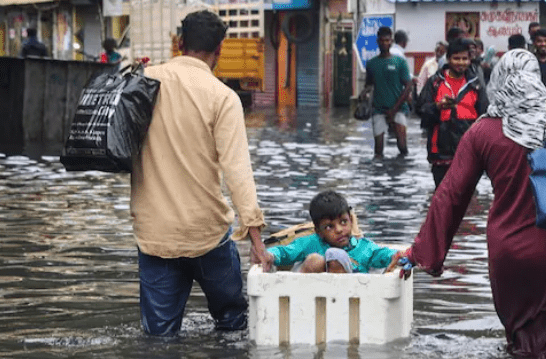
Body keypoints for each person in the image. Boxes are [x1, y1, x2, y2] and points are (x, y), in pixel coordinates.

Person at [391, 49, 546, 359]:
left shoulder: (482, 130)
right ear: (536, 78)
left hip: (508, 253)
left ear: (498, 81)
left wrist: (423, 254)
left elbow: (450, 196)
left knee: (521, 344)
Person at [131, 10, 268, 336]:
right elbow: (238, 172)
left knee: (158, 342)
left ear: (179, 43)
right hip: (208, 236)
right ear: (219, 51)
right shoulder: (222, 97)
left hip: (155, 236)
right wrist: (256, 241)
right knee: (234, 328)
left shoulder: (143, 83)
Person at [262, 190, 401, 274]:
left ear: (351, 221)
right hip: (311, 305)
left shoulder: (364, 248)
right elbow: (286, 252)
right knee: (315, 261)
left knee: (336, 257)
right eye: (329, 227)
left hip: (352, 305)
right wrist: (270, 255)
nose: (339, 230)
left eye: (343, 222)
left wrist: (400, 256)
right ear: (319, 231)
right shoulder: (310, 243)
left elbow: (384, 255)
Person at [417, 39, 488, 188]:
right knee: (442, 196)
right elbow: (420, 110)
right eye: (456, 58)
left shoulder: (476, 85)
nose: (460, 63)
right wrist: (437, 107)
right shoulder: (435, 82)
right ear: (448, 59)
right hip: (440, 151)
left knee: (464, 197)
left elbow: (485, 117)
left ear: (470, 60)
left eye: (464, 59)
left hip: (469, 150)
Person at [358, 26, 413, 158]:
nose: (384, 43)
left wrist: (394, 109)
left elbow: (408, 86)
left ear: (391, 41)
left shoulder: (400, 62)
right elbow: (369, 84)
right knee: (378, 151)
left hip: (399, 109)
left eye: (387, 40)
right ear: (377, 41)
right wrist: (364, 93)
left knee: (402, 147)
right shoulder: (372, 64)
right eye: (382, 40)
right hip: (378, 109)